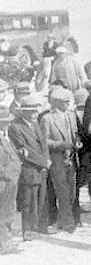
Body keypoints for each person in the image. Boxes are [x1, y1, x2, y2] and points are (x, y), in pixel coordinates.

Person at [9, 95, 51, 240]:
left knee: (42, 199)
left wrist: (47, 159)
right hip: (29, 169)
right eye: (32, 111)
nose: (35, 113)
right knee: (28, 202)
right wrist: (44, 162)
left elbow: (43, 144)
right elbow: (25, 150)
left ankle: (41, 228)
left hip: (41, 169)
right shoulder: (15, 127)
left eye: (36, 110)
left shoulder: (36, 124)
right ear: (24, 112)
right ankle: (27, 231)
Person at [41, 88, 80, 233]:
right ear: (56, 102)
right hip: (57, 160)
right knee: (62, 192)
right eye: (65, 102)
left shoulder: (71, 116)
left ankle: (64, 220)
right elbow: (44, 142)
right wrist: (62, 145)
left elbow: (75, 135)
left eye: (69, 101)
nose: (68, 104)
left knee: (72, 192)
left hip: (72, 160)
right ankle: (68, 223)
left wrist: (77, 143)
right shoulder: (48, 119)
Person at [0, 106, 21, 253]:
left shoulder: (5, 137)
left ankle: (6, 243)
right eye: (3, 121)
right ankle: (4, 245)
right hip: (5, 181)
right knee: (5, 214)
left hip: (10, 181)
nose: (7, 124)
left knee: (8, 212)